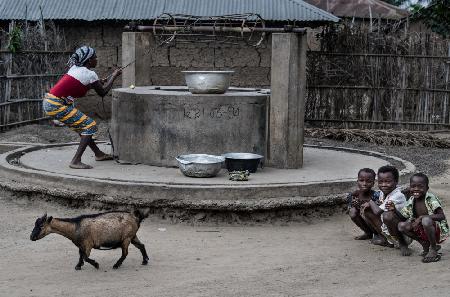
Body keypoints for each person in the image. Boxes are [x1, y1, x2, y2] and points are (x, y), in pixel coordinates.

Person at [43, 46, 122, 169]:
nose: (97, 59)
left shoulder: (75, 69)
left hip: (50, 102)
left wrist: (97, 82)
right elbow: (102, 92)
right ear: (89, 60)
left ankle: (98, 154)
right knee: (90, 125)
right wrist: (114, 75)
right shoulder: (90, 74)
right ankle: (75, 161)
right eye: (95, 57)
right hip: (56, 105)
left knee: (83, 127)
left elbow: (80, 84)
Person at [387, 173, 448, 262]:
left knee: (426, 220)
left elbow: (441, 216)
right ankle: (425, 244)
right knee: (401, 225)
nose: (416, 189)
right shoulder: (411, 200)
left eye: (420, 187)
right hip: (421, 230)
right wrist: (394, 209)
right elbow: (403, 217)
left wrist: (421, 217)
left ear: (427, 188)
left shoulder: (430, 198)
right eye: (413, 186)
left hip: (435, 230)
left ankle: (433, 248)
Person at [360, 165, 406, 248]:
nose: (384, 185)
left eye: (388, 182)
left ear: (396, 181)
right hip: (387, 228)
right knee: (368, 210)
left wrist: (370, 202)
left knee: (387, 215)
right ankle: (385, 239)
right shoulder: (383, 193)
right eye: (380, 182)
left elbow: (377, 212)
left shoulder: (397, 195)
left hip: (402, 233)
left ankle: (400, 243)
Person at [347, 168, 380, 240]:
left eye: (368, 181)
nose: (364, 184)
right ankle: (368, 233)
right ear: (357, 181)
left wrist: (369, 204)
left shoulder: (376, 195)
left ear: (373, 183)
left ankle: (378, 234)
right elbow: (349, 210)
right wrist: (355, 206)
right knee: (352, 212)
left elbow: (379, 212)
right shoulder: (353, 195)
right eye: (361, 180)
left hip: (377, 223)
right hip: (365, 222)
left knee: (367, 211)